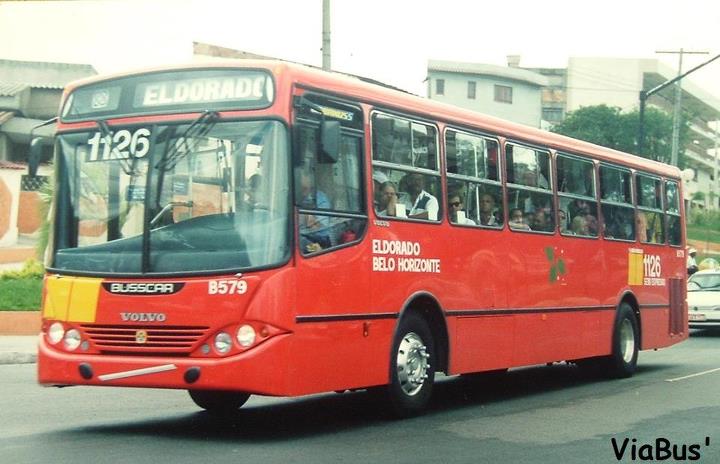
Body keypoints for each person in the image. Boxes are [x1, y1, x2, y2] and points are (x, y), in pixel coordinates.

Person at [298, 169, 331, 253]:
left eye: (305, 188)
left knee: (307, 247)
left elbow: (318, 226)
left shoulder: (320, 198)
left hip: (319, 241)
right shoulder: (295, 197)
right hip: (300, 238)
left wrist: (305, 217)